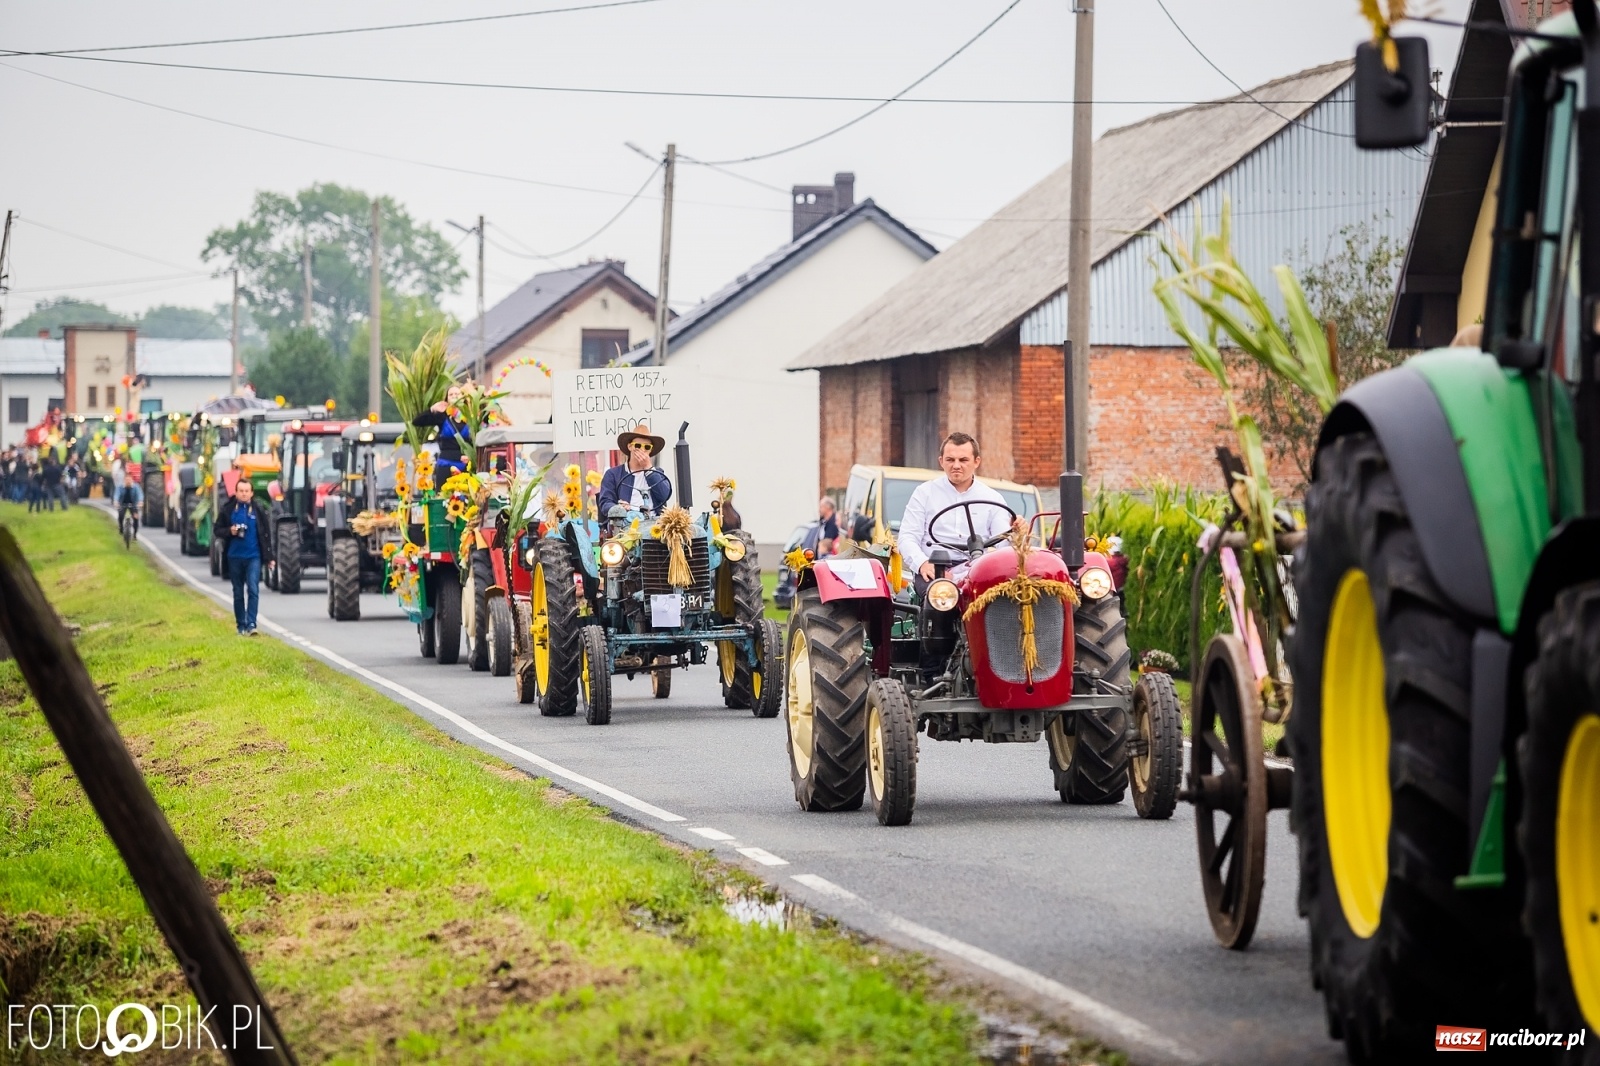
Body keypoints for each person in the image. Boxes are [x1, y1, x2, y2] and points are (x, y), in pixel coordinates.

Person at [897, 432, 1020, 589]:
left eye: (963, 460)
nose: (956, 465)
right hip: (935, 568)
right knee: (938, 603)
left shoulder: (992, 498)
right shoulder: (924, 493)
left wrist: (1016, 533)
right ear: (941, 461)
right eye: (950, 460)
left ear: (976, 462)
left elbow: (1003, 544)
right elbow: (907, 537)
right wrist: (923, 563)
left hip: (977, 570)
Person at [216, 479, 270, 636]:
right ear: (236, 492)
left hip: (254, 556)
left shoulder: (258, 510)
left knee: (253, 589)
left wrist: (269, 557)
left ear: (252, 493)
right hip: (234, 557)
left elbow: (266, 534)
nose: (244, 493)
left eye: (247, 491)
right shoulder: (228, 509)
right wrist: (229, 531)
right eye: (241, 491)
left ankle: (252, 623)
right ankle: (241, 625)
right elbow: (217, 530)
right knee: (238, 592)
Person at [597, 424, 672, 515]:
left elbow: (664, 496)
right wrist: (618, 508)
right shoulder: (613, 474)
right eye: (637, 446)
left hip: (654, 524)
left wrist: (649, 468)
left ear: (650, 450)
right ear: (630, 447)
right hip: (625, 524)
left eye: (647, 447)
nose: (642, 450)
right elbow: (605, 503)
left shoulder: (657, 473)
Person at [411, 384, 473, 487]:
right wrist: (432, 409)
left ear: (463, 397)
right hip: (445, 464)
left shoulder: (470, 418)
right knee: (443, 497)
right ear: (447, 399)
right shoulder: (443, 416)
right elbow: (417, 422)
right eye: (451, 394)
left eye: (457, 394)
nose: (454, 396)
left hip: (465, 464)